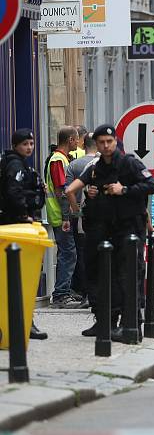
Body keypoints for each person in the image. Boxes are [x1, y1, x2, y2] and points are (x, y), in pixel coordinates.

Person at [65, 125, 154, 341]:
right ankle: (108, 322)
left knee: (128, 277)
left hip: (130, 230)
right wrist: (87, 198)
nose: (106, 146)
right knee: (109, 278)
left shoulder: (130, 163)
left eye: (109, 141)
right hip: (108, 230)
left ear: (115, 141)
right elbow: (72, 189)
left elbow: (152, 185)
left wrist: (124, 190)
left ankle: (132, 326)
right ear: (96, 144)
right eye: (102, 142)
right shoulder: (96, 168)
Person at [0, 129, 48, 340]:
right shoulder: (15, 164)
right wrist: (24, 215)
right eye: (25, 144)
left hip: (13, 225)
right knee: (20, 277)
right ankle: (24, 323)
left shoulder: (14, 162)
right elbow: (13, 190)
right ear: (16, 145)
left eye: (31, 143)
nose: (29, 147)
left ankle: (24, 322)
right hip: (16, 225)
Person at [47, 126, 80, 308]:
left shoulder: (62, 159)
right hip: (61, 216)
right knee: (68, 254)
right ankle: (61, 294)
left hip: (61, 215)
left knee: (67, 253)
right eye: (76, 140)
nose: (78, 143)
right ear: (70, 140)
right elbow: (62, 191)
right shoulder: (58, 160)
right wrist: (67, 216)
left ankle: (64, 291)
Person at [65, 133, 98, 305]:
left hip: (82, 219)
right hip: (103, 220)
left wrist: (76, 210)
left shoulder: (74, 165)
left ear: (83, 145)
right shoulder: (104, 163)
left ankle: (86, 294)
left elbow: (67, 190)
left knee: (84, 256)